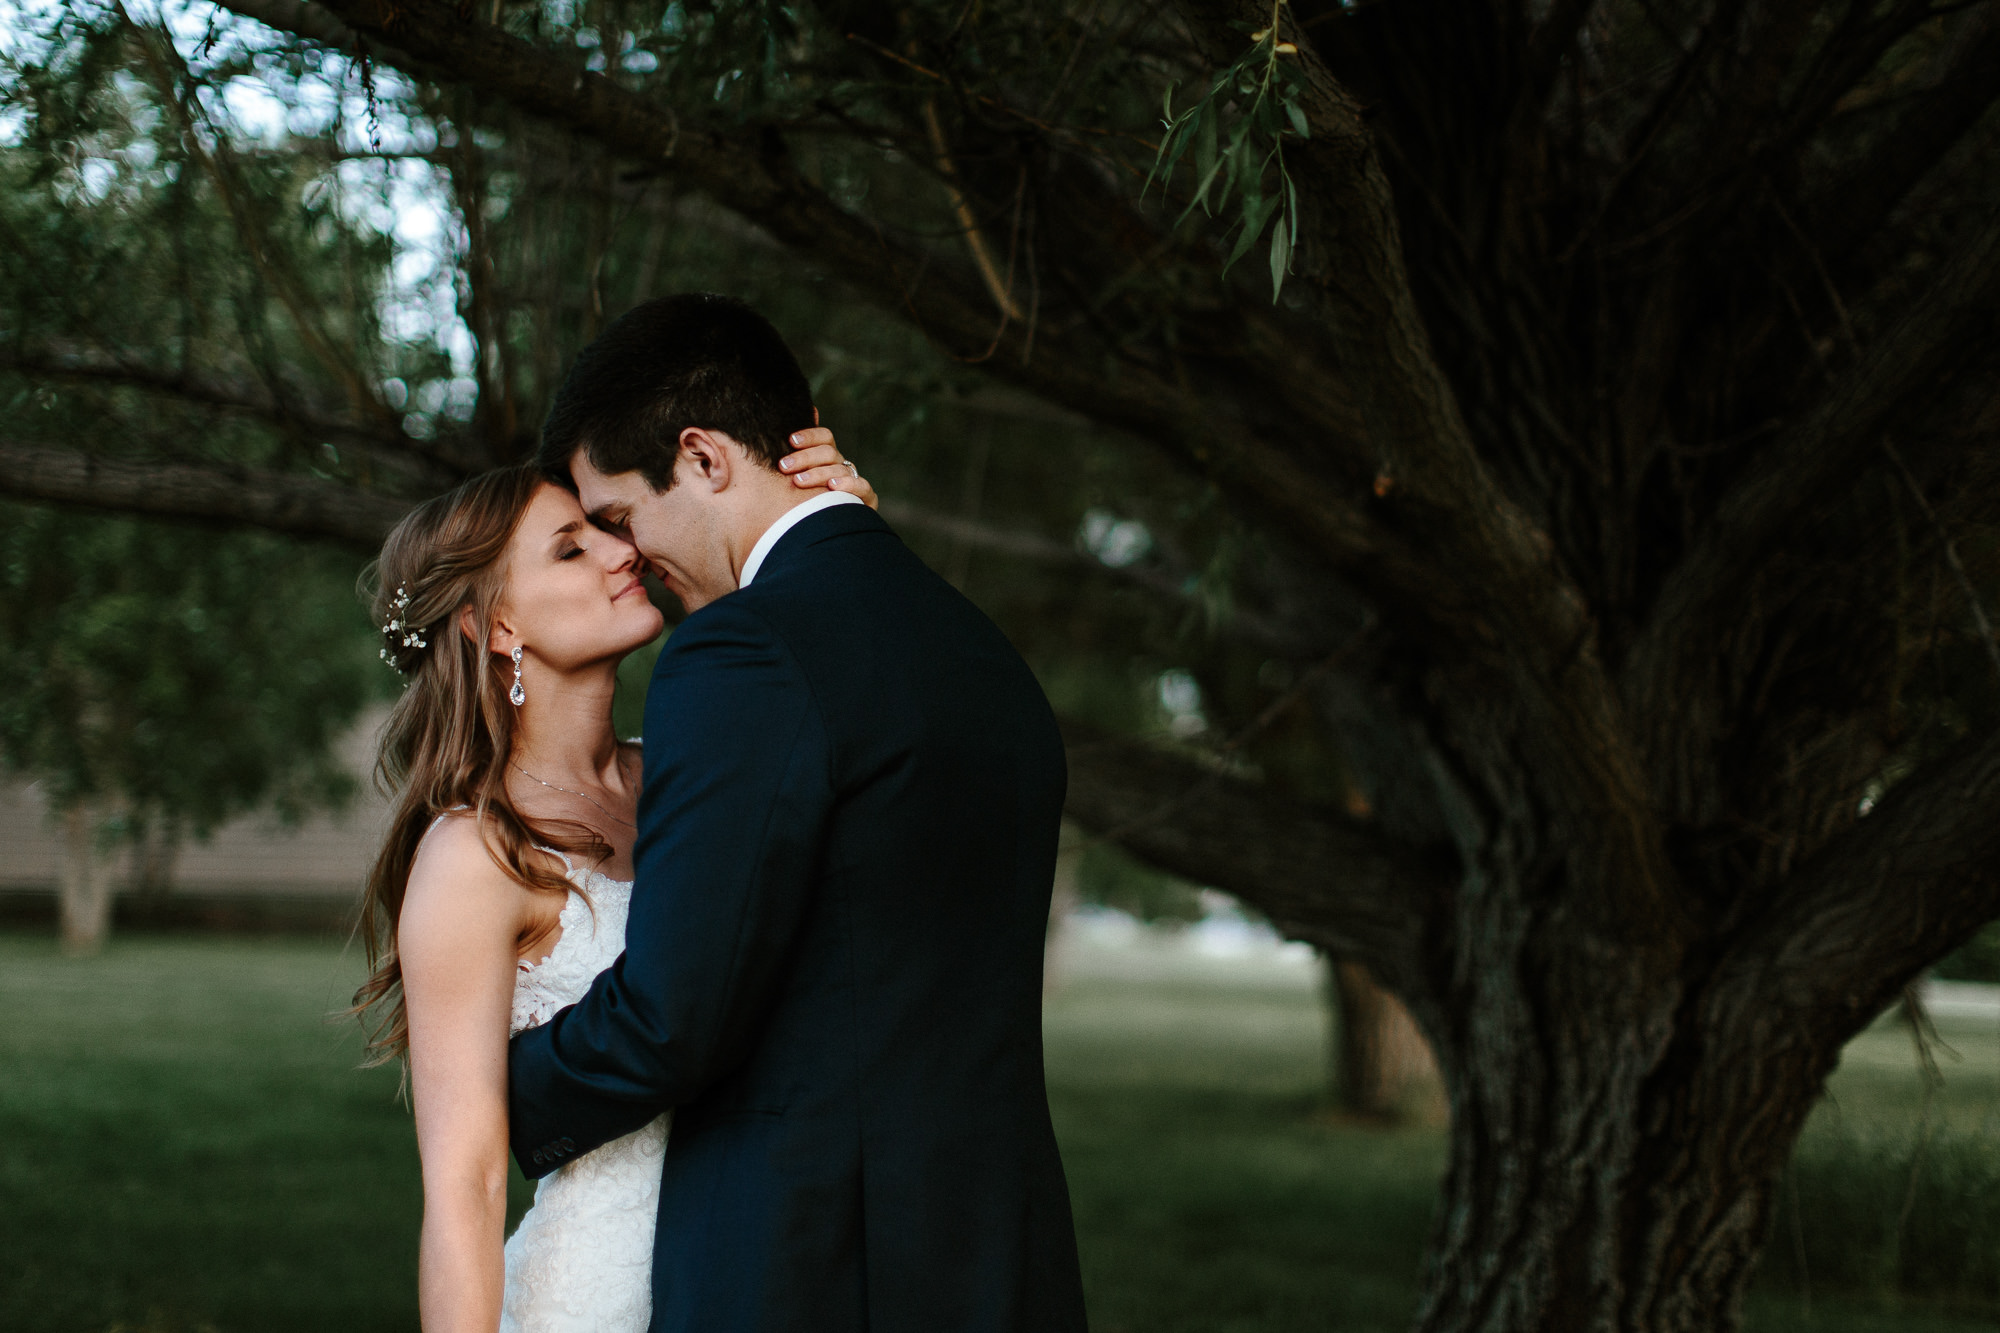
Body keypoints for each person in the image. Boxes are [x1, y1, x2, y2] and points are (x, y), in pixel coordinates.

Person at [508, 293, 1089, 1332]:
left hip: (812, 1263)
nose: (627, 557)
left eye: (619, 518)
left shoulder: (744, 653)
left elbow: (672, 1016)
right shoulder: (972, 645)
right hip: (995, 1249)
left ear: (701, 456)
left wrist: (491, 1086)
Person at [352, 420, 873, 1331]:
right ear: (494, 623)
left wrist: (834, 529)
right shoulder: (474, 854)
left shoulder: (687, 775)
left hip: (764, 1266)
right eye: (570, 547)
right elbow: (468, 1182)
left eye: (607, 525)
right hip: (598, 1296)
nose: (619, 549)